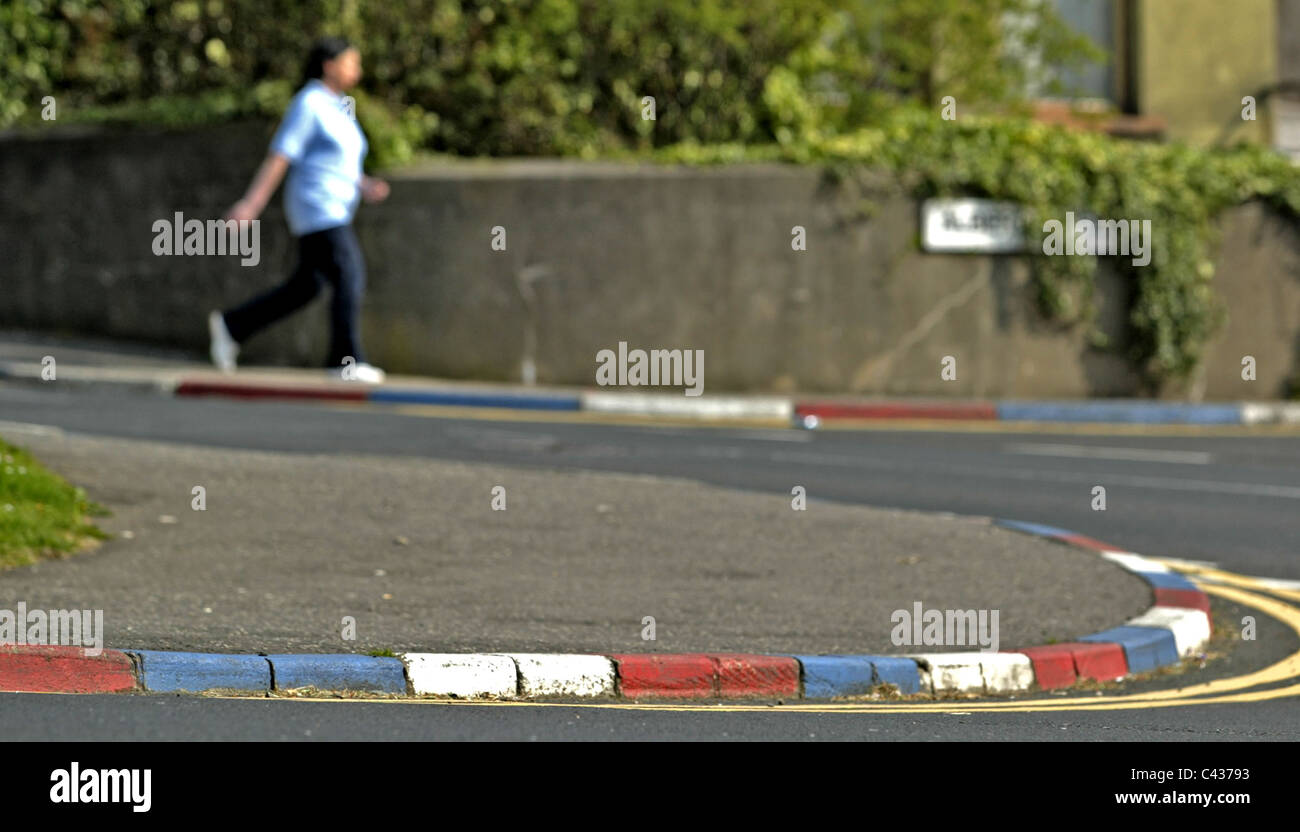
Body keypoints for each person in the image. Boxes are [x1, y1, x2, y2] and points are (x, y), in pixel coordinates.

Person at [208, 36, 390, 383]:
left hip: (336, 205)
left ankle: (233, 326)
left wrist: (364, 184)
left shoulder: (341, 106)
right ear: (329, 64)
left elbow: (339, 163)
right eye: (352, 62)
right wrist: (251, 204)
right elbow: (281, 155)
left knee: (307, 286)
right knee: (349, 273)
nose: (358, 69)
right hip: (319, 207)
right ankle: (345, 361)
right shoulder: (309, 103)